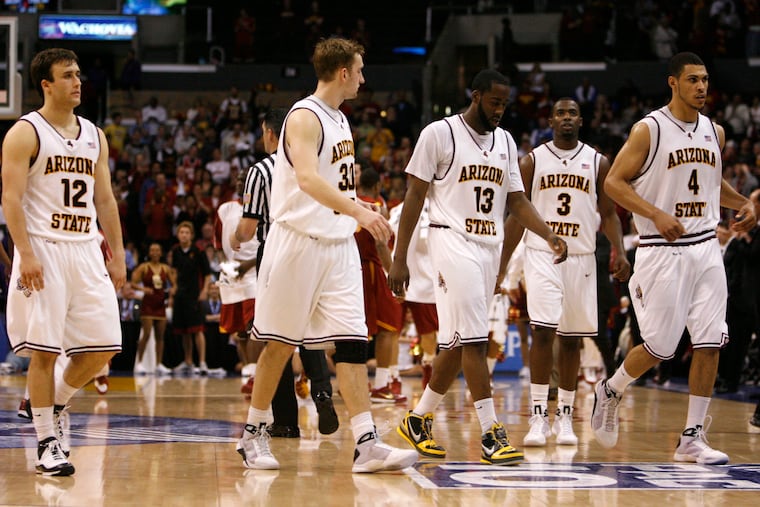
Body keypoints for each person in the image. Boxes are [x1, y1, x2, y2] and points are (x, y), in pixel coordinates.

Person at [232, 40, 416, 473]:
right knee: (278, 344)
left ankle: (367, 443)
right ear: (343, 73)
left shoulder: (341, 120)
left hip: (337, 245)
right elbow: (309, 180)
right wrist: (358, 211)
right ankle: (253, 433)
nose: (365, 78)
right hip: (297, 242)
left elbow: (335, 186)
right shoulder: (303, 116)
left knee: (354, 342)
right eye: (360, 70)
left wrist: (357, 207)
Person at [388, 68, 568, 466]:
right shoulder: (439, 133)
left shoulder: (504, 141)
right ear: (475, 97)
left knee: (454, 342)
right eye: (494, 102)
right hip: (450, 240)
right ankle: (490, 433)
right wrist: (400, 258)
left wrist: (548, 233)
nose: (501, 110)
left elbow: (517, 202)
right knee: (474, 339)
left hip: (489, 246)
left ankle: (418, 419)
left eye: (505, 103)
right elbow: (415, 194)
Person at [593, 52, 757, 465]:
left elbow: (709, 185)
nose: (702, 87)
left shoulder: (714, 132)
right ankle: (611, 388)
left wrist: (743, 204)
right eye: (693, 80)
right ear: (673, 83)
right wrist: (654, 213)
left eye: (705, 80)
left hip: (704, 247)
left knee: (710, 341)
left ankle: (692, 437)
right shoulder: (650, 129)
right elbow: (613, 183)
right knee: (661, 347)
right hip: (661, 250)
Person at [1, 48, 126, 476]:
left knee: (106, 345)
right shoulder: (24, 132)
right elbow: (11, 199)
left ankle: (54, 402)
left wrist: (119, 255)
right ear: (46, 84)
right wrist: (27, 253)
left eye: (78, 74)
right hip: (44, 249)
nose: (78, 82)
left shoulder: (94, 133)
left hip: (86, 249)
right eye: (68, 76)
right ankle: (46, 444)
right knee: (44, 351)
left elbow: (105, 200)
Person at [500, 98, 630, 448]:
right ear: (551, 120)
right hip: (543, 252)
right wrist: (502, 265)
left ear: (581, 120)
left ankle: (566, 418)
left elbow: (609, 213)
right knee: (543, 331)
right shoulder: (532, 160)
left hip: (583, 256)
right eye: (561, 113)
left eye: (572, 113)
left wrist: (618, 248)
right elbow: (516, 214)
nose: (567, 118)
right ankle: (539, 417)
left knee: (572, 339)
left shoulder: (598, 162)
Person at [169, 221, 212, 375]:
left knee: (197, 329)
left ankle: (202, 362)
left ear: (191, 235)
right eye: (181, 232)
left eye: (187, 232)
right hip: (180, 295)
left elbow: (207, 274)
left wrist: (204, 290)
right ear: (178, 234)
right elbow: (173, 271)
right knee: (184, 331)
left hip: (194, 295)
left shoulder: (198, 250)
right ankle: (188, 362)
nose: (184, 235)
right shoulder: (175, 251)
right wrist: (173, 286)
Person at [131, 242, 175, 375]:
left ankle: (158, 364)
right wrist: (142, 288)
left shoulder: (165, 268)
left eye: (157, 250)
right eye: (152, 250)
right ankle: (139, 362)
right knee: (147, 333)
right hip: (148, 304)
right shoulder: (144, 267)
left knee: (160, 336)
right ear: (149, 253)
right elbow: (132, 282)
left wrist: (171, 294)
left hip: (161, 303)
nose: (155, 252)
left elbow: (174, 284)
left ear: (161, 253)